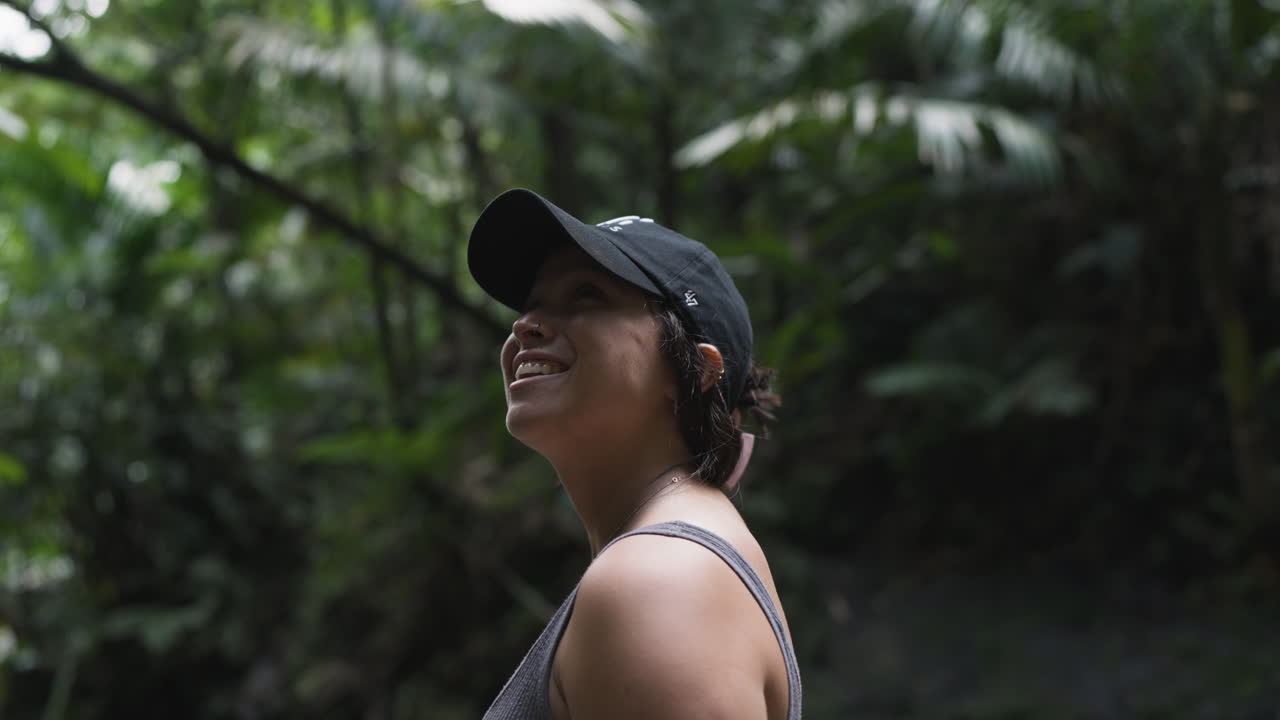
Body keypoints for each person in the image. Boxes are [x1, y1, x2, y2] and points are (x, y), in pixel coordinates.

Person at [468, 189, 802, 720]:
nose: (523, 324)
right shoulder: (673, 560)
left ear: (693, 370)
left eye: (585, 295)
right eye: (533, 302)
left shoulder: (659, 580)